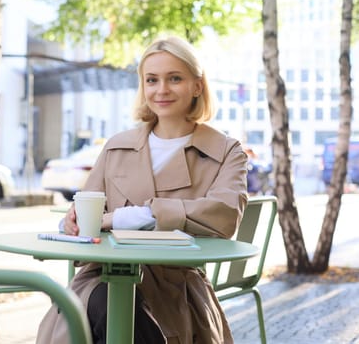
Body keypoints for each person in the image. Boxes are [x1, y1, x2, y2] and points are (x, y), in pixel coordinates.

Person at [36, 36, 248, 344]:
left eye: (174, 78)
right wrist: (71, 223)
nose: (161, 90)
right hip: (101, 280)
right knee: (107, 304)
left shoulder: (226, 151)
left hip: (178, 290)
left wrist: (128, 217)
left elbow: (224, 216)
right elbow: (87, 217)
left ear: (197, 86)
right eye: (152, 80)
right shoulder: (117, 146)